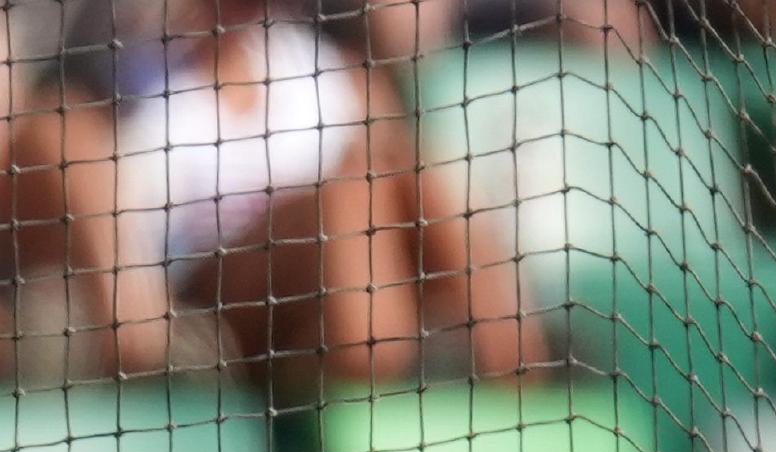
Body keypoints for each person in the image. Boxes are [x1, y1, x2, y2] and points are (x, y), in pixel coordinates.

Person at [0, 0, 542, 394]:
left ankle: (522, 378)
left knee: (402, 171)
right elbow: (51, 141)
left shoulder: (333, 74)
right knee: (346, 194)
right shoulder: (131, 81)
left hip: (340, 291)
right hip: (210, 298)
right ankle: (378, 369)